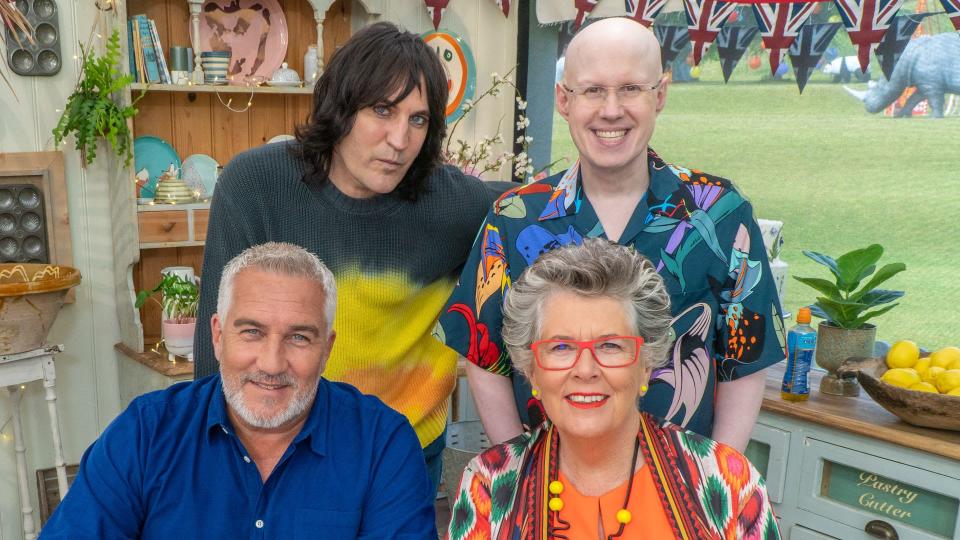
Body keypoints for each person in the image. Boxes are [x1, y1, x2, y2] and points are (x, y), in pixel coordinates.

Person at [438, 17, 785, 452]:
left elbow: (746, 360)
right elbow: (483, 354)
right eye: (593, 90)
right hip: (551, 488)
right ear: (564, 99)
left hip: (678, 486)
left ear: (660, 94)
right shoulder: (514, 218)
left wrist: (719, 478)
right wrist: (519, 470)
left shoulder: (719, 213)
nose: (611, 109)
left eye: (630, 89)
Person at [192, 21, 512, 491]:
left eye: (418, 119)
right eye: (382, 110)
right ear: (340, 108)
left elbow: (542, 216)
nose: (400, 140)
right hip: (280, 446)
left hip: (405, 450)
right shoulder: (257, 185)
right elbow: (213, 342)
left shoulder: (457, 204)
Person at [42, 243, 437, 539]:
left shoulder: (382, 444)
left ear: (327, 349)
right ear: (217, 336)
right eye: (252, 332)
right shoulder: (146, 432)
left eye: (299, 337)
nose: (271, 363)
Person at [447, 240, 780, 539]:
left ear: (646, 363)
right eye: (561, 348)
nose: (586, 370)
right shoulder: (489, 484)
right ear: (532, 371)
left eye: (610, 346)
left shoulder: (727, 481)